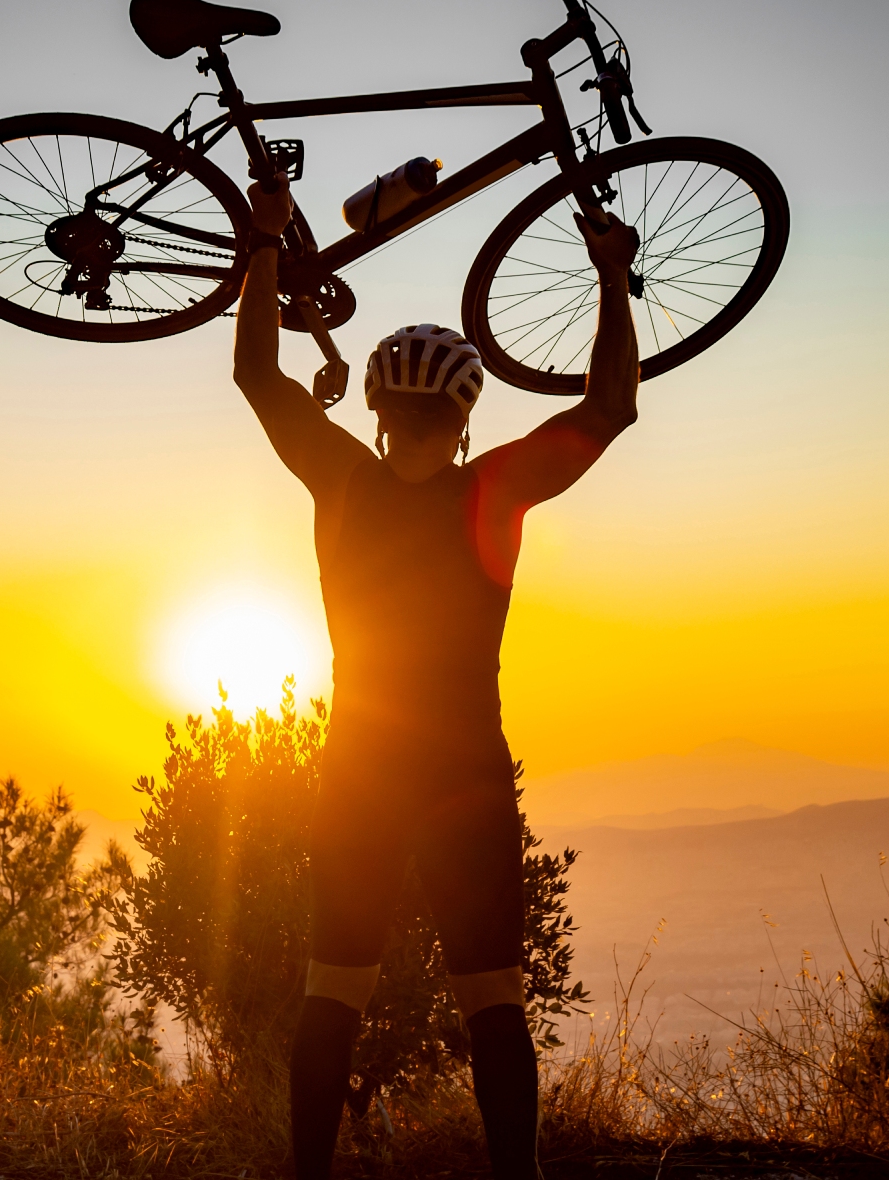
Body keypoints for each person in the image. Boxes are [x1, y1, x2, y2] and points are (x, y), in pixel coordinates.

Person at [231, 169, 640, 1180]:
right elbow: (612, 406)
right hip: (464, 768)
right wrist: (612, 278)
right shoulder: (492, 490)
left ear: (375, 414)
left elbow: (256, 377)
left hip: (360, 766)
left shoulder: (342, 482)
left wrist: (268, 240)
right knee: (493, 992)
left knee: (335, 986)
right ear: (461, 422)